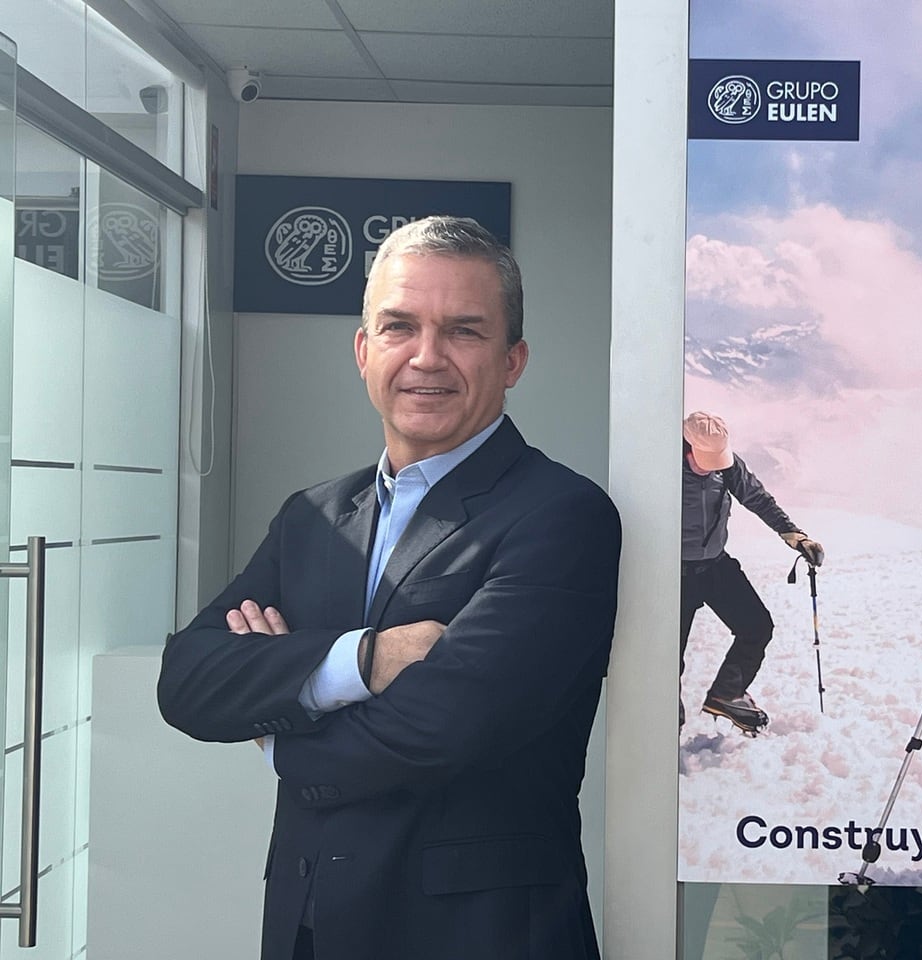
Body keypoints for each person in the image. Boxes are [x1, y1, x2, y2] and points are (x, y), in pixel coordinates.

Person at [157, 217, 621, 960]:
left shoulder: (561, 515)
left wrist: (277, 727)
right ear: (364, 350)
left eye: (464, 331)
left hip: (478, 938)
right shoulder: (312, 516)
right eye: (399, 326)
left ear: (513, 360)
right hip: (308, 926)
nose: (426, 357)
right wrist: (363, 661)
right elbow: (187, 680)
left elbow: (443, 731)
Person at [681, 411, 824, 734]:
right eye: (704, 459)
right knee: (666, 657)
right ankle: (662, 726)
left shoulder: (728, 467)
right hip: (672, 574)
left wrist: (794, 535)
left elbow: (757, 498)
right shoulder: (662, 469)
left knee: (757, 626)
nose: (711, 466)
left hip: (715, 565)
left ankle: (727, 694)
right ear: (687, 446)